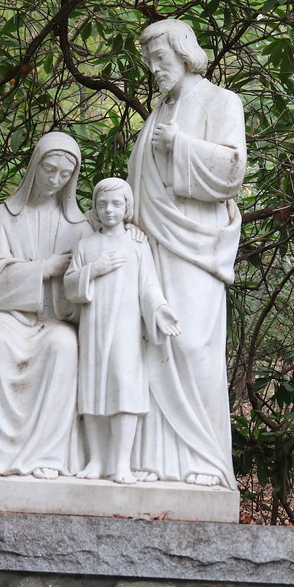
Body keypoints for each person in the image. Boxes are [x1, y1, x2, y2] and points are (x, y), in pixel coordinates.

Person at [127, 19, 247, 489]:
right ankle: (156, 462)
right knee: (152, 341)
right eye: (150, 63)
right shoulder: (158, 113)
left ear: (184, 54)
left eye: (161, 59)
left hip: (197, 243)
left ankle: (206, 460)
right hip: (153, 240)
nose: (155, 70)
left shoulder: (221, 101)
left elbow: (232, 170)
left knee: (193, 344)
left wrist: (180, 145)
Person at [0, 132, 91, 479]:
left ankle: (48, 456)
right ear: (34, 166)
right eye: (49, 170)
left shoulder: (79, 226)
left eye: (64, 175)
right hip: (7, 316)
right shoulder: (6, 216)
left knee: (63, 346)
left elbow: (91, 276)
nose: (55, 180)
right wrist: (43, 269)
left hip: (54, 318)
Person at [64, 178, 180, 483]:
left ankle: (122, 464)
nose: (109, 210)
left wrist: (159, 310)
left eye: (116, 204)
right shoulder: (87, 245)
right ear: (95, 208)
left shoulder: (137, 244)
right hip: (94, 325)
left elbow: (149, 283)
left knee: (124, 387)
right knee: (93, 389)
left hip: (126, 327)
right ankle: (96, 460)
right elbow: (69, 285)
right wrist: (95, 269)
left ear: (127, 207)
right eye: (102, 204)